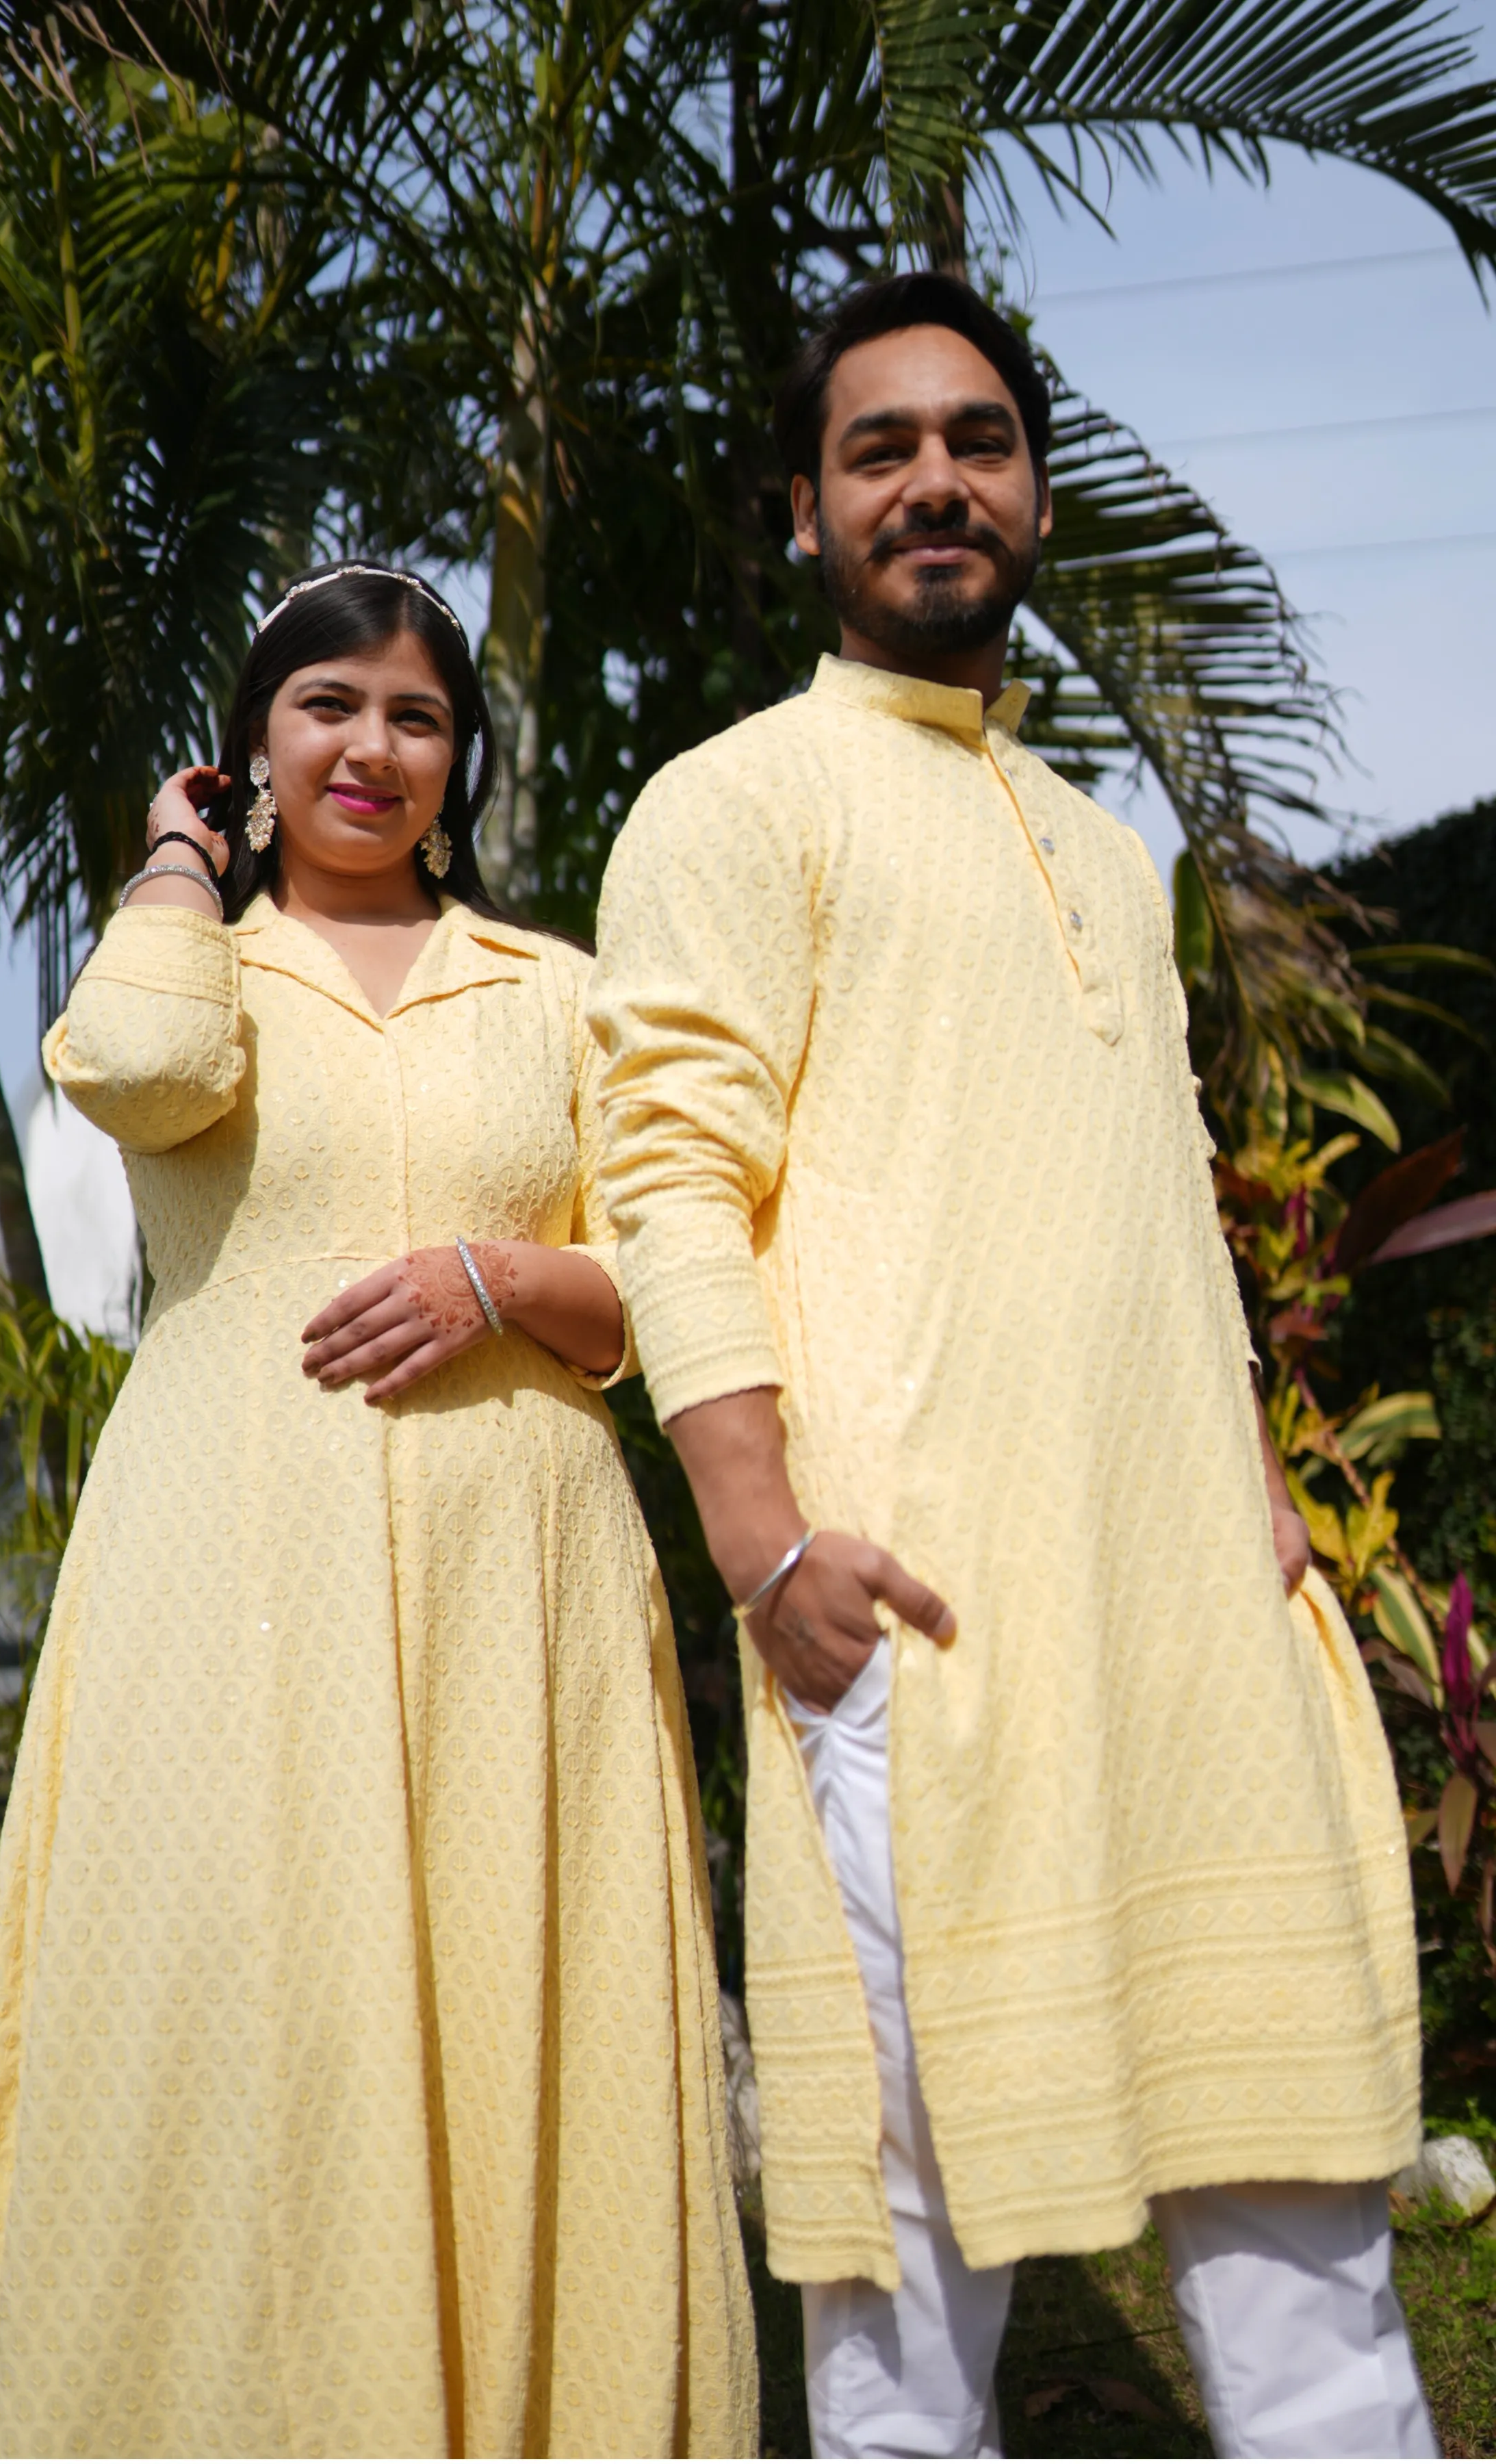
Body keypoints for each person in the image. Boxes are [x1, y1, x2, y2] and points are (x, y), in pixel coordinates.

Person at [586, 277, 1431, 2461]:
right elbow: (668, 1179)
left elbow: (1169, 1213)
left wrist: (1246, 1499)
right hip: (921, 1631)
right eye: (883, 451)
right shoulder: (731, 801)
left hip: (1183, 1639)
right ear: (803, 514)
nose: (938, 481)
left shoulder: (1100, 847)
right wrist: (769, 1554)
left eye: (979, 440)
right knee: (908, 2293)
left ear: (1034, 490)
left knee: (1309, 2229)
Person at [0, 563, 756, 2461]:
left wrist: (496, 1279)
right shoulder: (191, 960)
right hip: (229, 1561)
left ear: (465, 754)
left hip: (513, 1581)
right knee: (230, 1999)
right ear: (253, 746)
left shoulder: (566, 997)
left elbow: (680, 1283)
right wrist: (177, 868)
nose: (373, 748)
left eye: (416, 715)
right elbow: (140, 1069)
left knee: (520, 2014)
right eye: (327, 708)